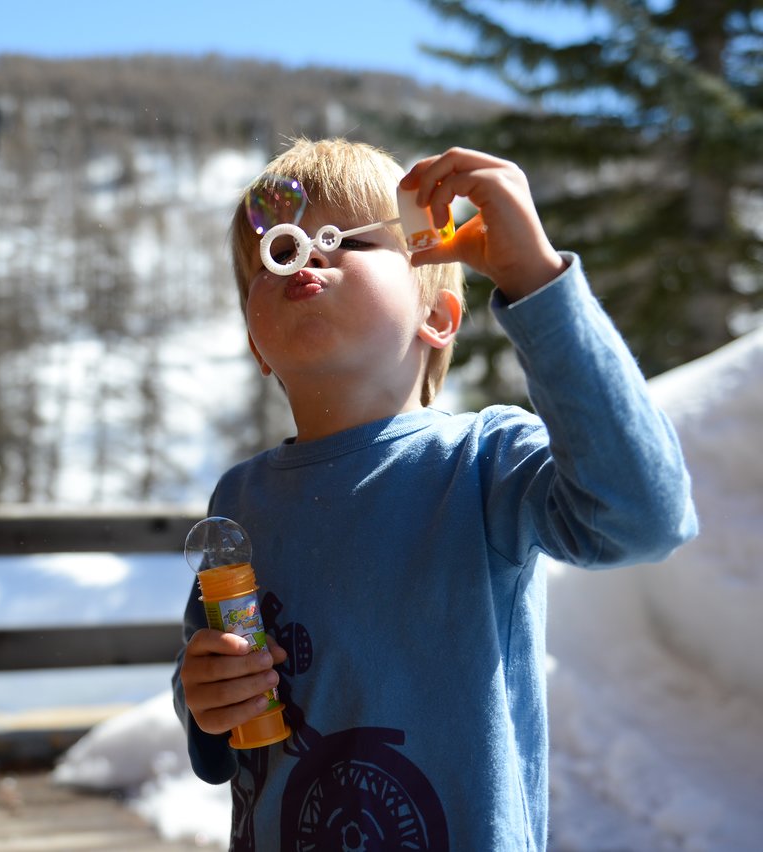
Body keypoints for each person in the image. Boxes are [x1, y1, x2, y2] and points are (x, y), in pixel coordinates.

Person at [173, 138, 698, 851]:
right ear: (258, 346)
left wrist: (536, 281)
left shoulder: (483, 464)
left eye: (341, 239)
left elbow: (644, 515)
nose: (305, 257)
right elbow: (209, 671)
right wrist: (203, 697)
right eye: (277, 251)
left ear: (440, 317)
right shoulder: (241, 497)